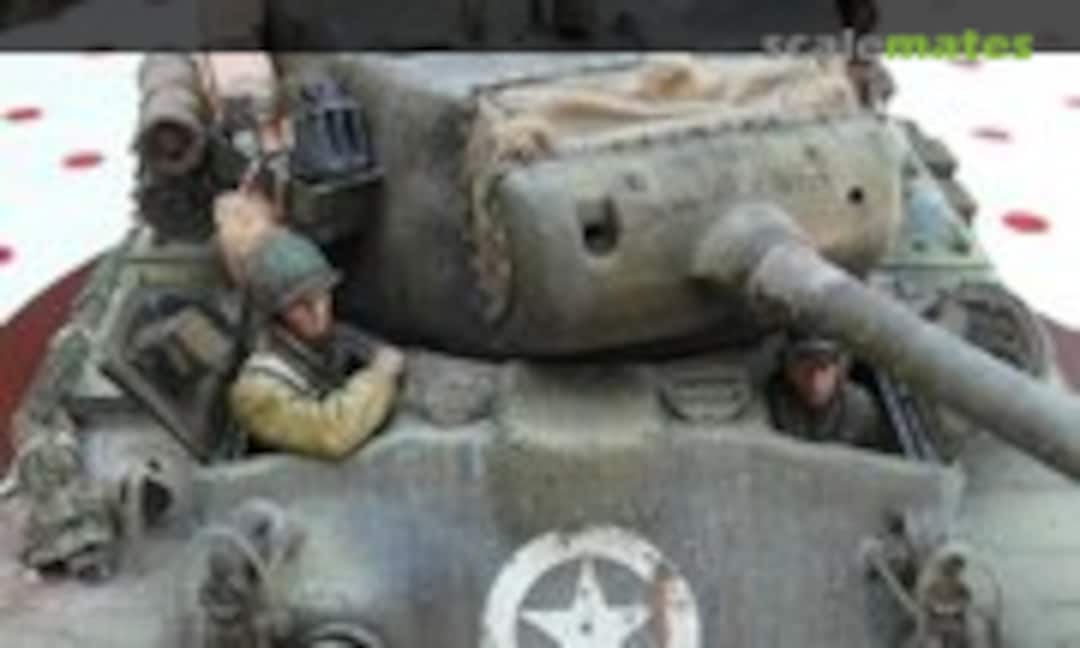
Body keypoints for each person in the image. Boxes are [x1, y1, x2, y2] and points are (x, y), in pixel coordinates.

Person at [227, 226, 405, 460]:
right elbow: (330, 435)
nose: (318, 311)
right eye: (299, 304)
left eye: (321, 294)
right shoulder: (256, 389)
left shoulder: (332, 341)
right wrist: (379, 377)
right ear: (274, 314)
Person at [765, 328, 885, 449]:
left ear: (839, 371)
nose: (815, 381)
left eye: (823, 368)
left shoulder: (859, 409)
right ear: (790, 371)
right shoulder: (773, 402)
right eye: (806, 369)